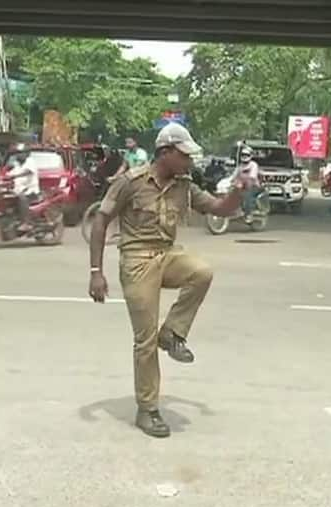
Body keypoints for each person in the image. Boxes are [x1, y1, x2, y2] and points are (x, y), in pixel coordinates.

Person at [87, 122, 245, 438]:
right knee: (144, 340)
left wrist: (240, 189)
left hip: (167, 253)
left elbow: (219, 207)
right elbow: (101, 221)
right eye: (184, 155)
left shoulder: (184, 185)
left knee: (202, 272)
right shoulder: (130, 182)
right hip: (137, 261)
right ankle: (147, 410)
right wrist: (96, 272)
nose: (189, 162)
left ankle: (172, 334)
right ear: (165, 153)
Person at [3, 144, 41, 228]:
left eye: (21, 153)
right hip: (18, 189)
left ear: (27, 154)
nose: (18, 155)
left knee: (21, 197)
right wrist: (4, 177)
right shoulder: (16, 163)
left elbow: (28, 172)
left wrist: (15, 176)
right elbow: (10, 173)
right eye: (17, 153)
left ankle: (26, 223)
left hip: (30, 190)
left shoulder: (30, 162)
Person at [236, 145, 261, 221]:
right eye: (243, 155)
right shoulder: (240, 166)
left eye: (246, 155)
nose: (244, 156)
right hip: (242, 186)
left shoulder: (253, 165)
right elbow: (233, 176)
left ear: (250, 155)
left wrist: (243, 184)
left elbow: (252, 178)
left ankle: (249, 214)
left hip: (253, 186)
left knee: (247, 195)